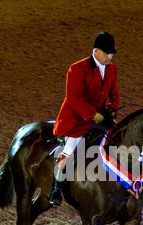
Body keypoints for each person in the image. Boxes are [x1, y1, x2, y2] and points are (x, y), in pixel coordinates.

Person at [49, 31, 119, 205]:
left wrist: (112, 109)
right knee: (70, 149)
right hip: (77, 118)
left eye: (111, 53)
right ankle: (55, 187)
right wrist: (92, 114)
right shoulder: (77, 69)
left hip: (100, 117)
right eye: (107, 53)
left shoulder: (112, 69)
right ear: (96, 51)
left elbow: (114, 93)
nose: (110, 56)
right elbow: (73, 98)